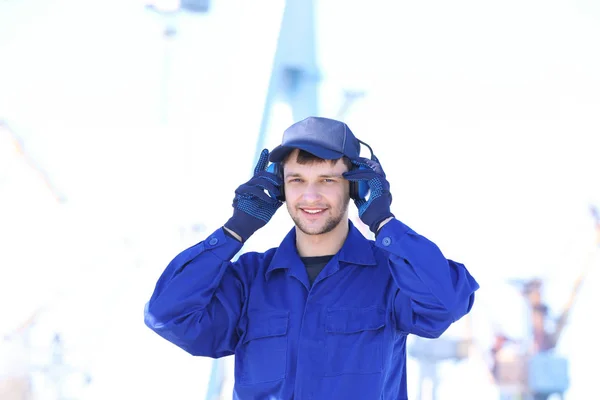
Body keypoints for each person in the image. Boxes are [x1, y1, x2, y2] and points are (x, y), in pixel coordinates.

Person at [144, 116, 480, 399]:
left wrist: (384, 222)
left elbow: (446, 303)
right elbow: (168, 315)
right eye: (297, 180)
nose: (310, 196)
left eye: (327, 180)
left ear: (354, 186)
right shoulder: (249, 281)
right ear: (280, 187)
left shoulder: (391, 276)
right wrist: (235, 231)